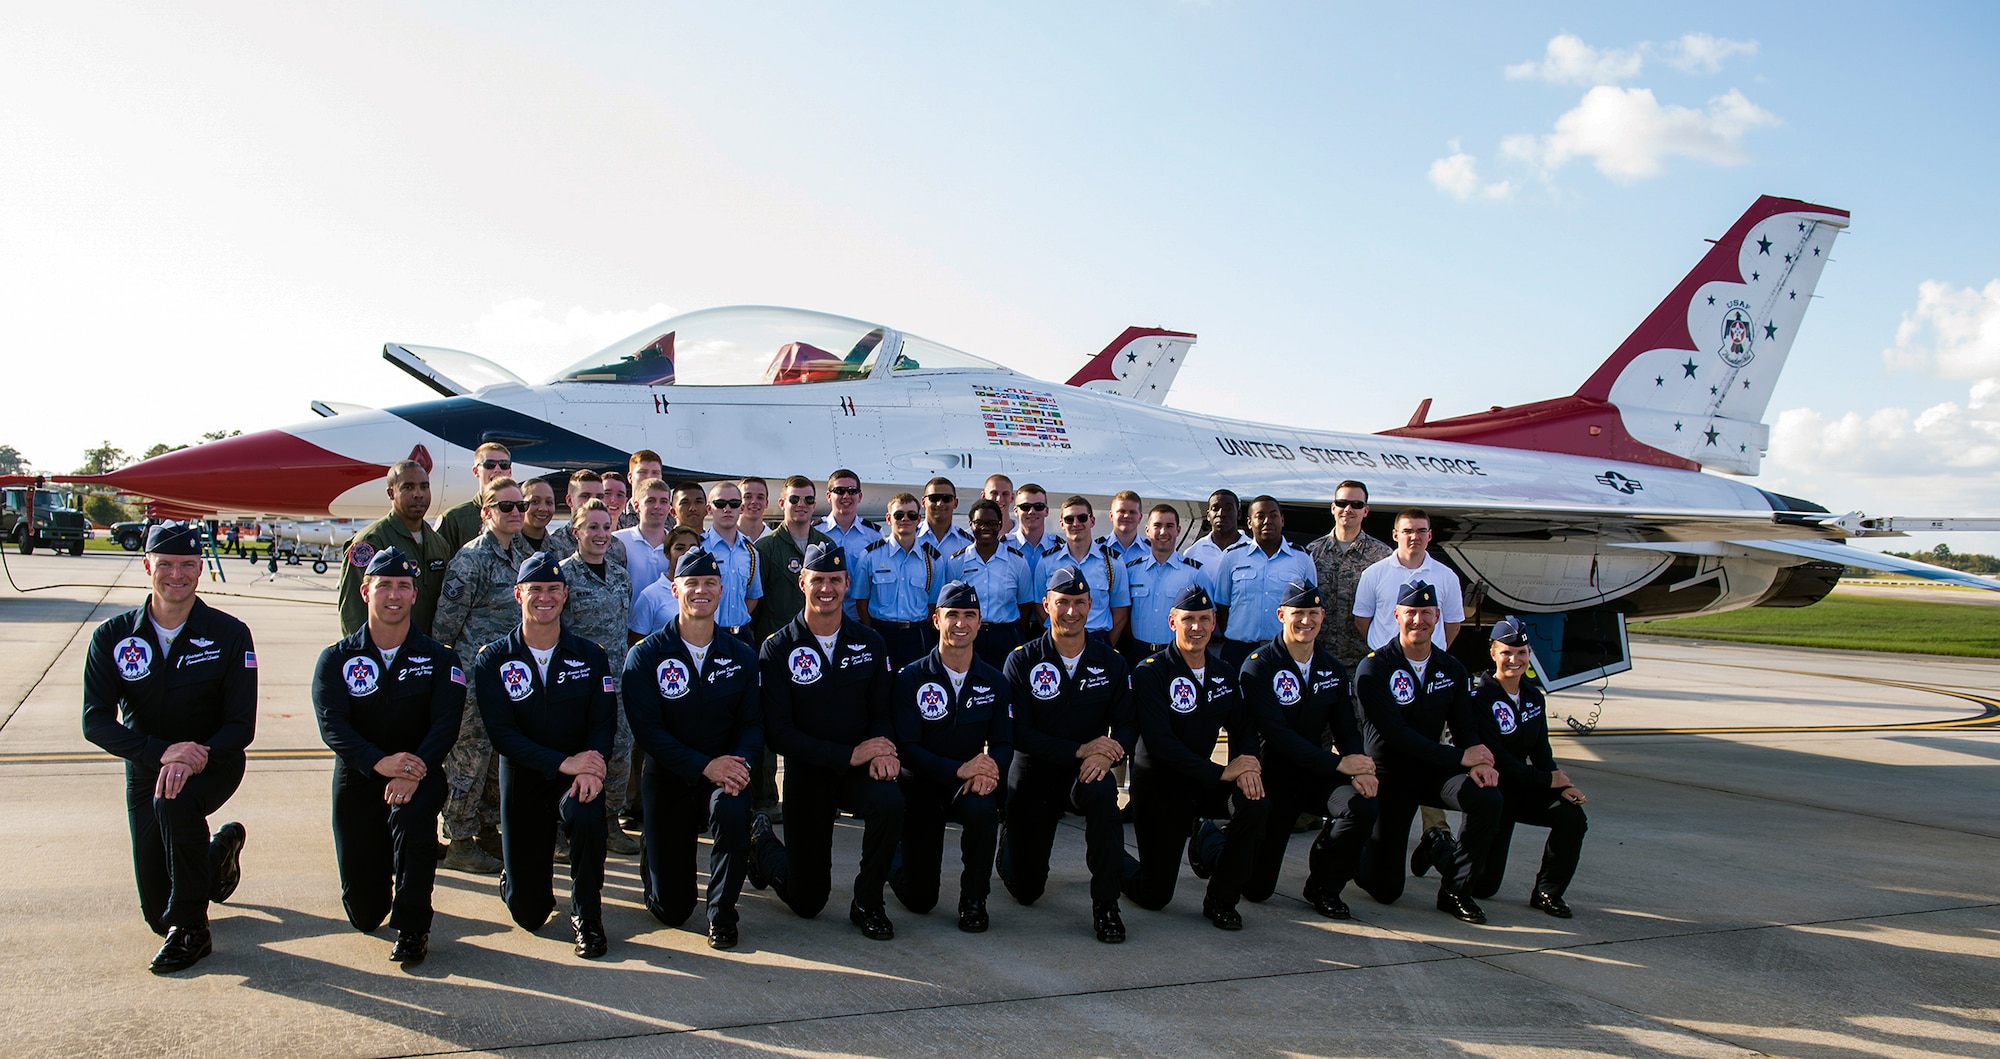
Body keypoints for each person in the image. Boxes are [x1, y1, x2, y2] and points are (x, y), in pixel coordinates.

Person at [82, 523, 255, 973]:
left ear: (201, 570)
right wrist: (162, 752)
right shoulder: (113, 637)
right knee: (159, 914)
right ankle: (218, 854)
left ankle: (193, 930)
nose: (175, 574)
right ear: (147, 566)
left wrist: (194, 755)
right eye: (165, 564)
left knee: (176, 803)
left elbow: (241, 725)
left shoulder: (230, 634)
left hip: (214, 761)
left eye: (187, 565)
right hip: (147, 766)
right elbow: (94, 721)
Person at [312, 547, 464, 965]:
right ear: (365, 591)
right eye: (384, 585)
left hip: (420, 770)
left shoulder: (440, 659)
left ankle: (413, 926)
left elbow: (445, 725)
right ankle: (379, 891)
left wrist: (412, 769)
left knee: (414, 823)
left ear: (415, 594)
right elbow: (333, 725)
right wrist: (380, 763)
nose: (393, 595)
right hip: (359, 776)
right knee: (363, 914)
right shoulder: (337, 659)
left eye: (403, 586)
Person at [750, 543, 906, 941]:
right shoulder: (778, 648)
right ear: (802, 582)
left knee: (890, 799)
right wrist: (849, 754)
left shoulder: (869, 643)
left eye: (835, 580)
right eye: (817, 579)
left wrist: (883, 746)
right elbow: (778, 732)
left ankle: (868, 901)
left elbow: (882, 711)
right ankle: (761, 843)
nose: (826, 588)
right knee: (807, 901)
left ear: (847, 584)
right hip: (810, 773)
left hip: (858, 771)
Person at [475, 552, 617, 958]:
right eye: (535, 589)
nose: (544, 597)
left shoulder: (590, 655)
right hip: (523, 777)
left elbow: (603, 722)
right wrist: (562, 762)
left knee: (589, 819)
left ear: (565, 594)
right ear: (518, 594)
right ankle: (515, 880)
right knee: (529, 913)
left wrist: (592, 766)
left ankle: (587, 918)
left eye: (553, 589)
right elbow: (502, 735)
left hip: (577, 777)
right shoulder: (493, 659)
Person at [622, 548, 762, 949]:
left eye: (709, 584)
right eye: (692, 583)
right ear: (675, 589)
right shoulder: (645, 656)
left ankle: (722, 914)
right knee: (672, 908)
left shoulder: (741, 655)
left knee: (734, 811)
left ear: (721, 590)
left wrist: (739, 766)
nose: (701, 590)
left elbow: (752, 723)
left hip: (725, 774)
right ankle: (656, 849)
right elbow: (649, 733)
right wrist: (706, 765)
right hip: (669, 776)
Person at [1120, 583, 1269, 930]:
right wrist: (1220, 773)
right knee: (1154, 895)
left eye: (1204, 619)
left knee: (1254, 802)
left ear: (1215, 622)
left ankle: (1221, 898)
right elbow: (1160, 743)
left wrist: (1246, 764)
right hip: (1160, 788)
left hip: (1202, 783)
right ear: (1173, 622)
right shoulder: (1150, 672)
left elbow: (1244, 727)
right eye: (1189, 619)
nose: (1197, 628)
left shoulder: (1224, 673)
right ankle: (1111, 857)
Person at [1352, 582, 1503, 924]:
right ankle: (1353, 846)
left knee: (1487, 797)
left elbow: (1465, 728)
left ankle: (1454, 889)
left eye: (1425, 613)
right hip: (1390, 776)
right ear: (1396, 616)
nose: (1418, 620)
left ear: (1437, 616)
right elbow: (1396, 736)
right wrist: (1459, 758)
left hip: (1432, 772)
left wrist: (1477, 757)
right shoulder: (1375, 668)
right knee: (1385, 890)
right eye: (1411, 613)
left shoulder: (1452, 669)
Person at [998, 566, 1133, 943]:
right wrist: (1080, 749)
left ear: (1091, 605)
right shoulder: (1022, 660)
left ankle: (1106, 905)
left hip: (1085, 773)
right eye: (1062, 603)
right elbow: (1018, 733)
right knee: (1026, 892)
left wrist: (1108, 756)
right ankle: (1010, 842)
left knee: (1104, 796)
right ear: (1046, 605)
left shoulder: (1111, 662)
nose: (1070, 612)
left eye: (1078, 603)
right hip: (1034, 777)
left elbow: (1126, 725)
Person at [1236, 581, 1377, 919]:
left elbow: (1345, 727)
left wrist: (1358, 765)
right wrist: (1339, 765)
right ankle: (1211, 837)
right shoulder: (1259, 666)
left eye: (1313, 613)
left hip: (1314, 774)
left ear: (1322, 616)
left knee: (1362, 806)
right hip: (1272, 778)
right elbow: (1277, 734)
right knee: (1257, 890)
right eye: (1298, 613)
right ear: (1282, 615)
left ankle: (1324, 885)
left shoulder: (1330, 667)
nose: (1306, 621)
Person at [888, 582, 1012, 932]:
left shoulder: (994, 681)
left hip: (968, 786)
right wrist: (961, 769)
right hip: (923, 787)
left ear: (979, 622)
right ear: (935, 620)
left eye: (969, 615)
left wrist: (989, 772)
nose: (961, 623)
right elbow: (908, 749)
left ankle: (974, 900)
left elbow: (1003, 743)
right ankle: (891, 859)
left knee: (984, 810)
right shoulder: (911, 678)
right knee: (919, 900)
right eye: (952, 615)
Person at [431, 478, 535, 874]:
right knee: (468, 759)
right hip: (473, 679)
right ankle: (458, 838)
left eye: (519, 506)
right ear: (486, 512)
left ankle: (488, 829)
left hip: (512, 679)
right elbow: (445, 628)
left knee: (496, 760)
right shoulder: (471, 559)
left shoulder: (522, 555)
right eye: (505, 506)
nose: (515, 513)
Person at [1465, 619, 1589, 918]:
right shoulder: (1480, 698)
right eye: (1507, 652)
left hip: (1523, 786)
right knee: (1483, 886)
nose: (1514, 660)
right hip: (1493, 790)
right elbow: (1497, 757)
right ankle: (1439, 849)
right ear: (1493, 653)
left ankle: (1548, 892)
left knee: (1572, 816)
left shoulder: (1534, 696)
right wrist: (1545, 779)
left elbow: (1541, 750)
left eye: (1521, 652)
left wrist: (1562, 784)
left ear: (1530, 653)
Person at [557, 500, 641, 857]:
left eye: (606, 527)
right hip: (577, 685)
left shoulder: (621, 575)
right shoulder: (562, 576)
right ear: (576, 532)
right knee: (571, 754)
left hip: (617, 683)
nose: (601, 535)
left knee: (618, 753)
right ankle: (562, 827)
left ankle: (608, 822)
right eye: (592, 527)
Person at [749, 476, 834, 819]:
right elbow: (756, 603)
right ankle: (766, 798)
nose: (801, 505)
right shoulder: (766, 549)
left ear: (816, 505)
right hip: (776, 646)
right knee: (772, 725)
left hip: (816, 648)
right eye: (794, 499)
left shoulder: (826, 545)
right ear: (781, 504)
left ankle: (821, 791)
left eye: (808, 500)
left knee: (817, 721)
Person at [335, 460, 455, 638]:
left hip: (426, 653)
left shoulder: (438, 543)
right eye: (408, 487)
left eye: (424, 487)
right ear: (391, 493)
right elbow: (353, 609)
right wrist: (364, 653)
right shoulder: (371, 542)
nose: (418, 494)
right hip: (386, 651)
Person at [1211, 496, 1318, 670]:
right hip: (1239, 650)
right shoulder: (1232, 557)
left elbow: (1310, 608)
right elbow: (1222, 605)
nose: (1267, 521)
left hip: (1286, 649)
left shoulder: (1302, 558)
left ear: (1282, 520)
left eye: (1273, 515)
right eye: (1260, 516)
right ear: (1249, 522)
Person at [1304, 481, 1392, 673]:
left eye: (1356, 504)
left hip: (1364, 659)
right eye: (1342, 503)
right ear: (1333, 507)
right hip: (1318, 657)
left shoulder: (1382, 556)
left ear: (1366, 511)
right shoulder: (1311, 553)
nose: (1348, 509)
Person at [854, 493, 946, 670]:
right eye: (899, 515)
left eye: (911, 515)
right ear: (889, 519)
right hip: (881, 633)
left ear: (919, 519)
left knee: (916, 687)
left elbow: (934, 603)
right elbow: (861, 601)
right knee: (880, 687)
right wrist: (872, 631)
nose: (905, 519)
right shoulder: (870, 556)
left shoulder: (933, 559)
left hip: (916, 635)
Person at [1353, 508, 1465, 653]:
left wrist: (1431, 652)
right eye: (1407, 531)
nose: (1415, 537)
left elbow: (1453, 624)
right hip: (1385, 661)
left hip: (1429, 661)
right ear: (1395, 535)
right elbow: (1361, 620)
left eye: (1421, 531)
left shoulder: (1447, 576)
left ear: (1429, 535)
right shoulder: (1373, 574)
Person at [944, 498, 1037, 667]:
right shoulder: (957, 561)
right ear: (971, 525)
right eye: (979, 523)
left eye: (992, 523)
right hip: (969, 636)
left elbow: (1025, 603)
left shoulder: (1016, 561)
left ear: (1000, 525)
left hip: (1006, 637)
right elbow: (949, 604)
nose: (985, 528)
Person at [1122, 504, 1211, 666]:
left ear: (1178, 530)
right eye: (1157, 526)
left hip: (1178, 655)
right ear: (1147, 530)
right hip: (1137, 653)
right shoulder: (1131, 570)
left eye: (1169, 526)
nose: (1163, 532)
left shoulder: (1195, 572)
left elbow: (1209, 617)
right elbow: (1123, 613)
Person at [1038, 496, 1130, 648]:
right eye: (1069, 519)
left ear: (1092, 521)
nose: (1076, 523)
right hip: (1058, 639)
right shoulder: (1047, 561)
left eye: (1082, 518)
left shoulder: (1112, 562)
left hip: (1098, 639)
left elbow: (1120, 614)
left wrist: (1105, 647)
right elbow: (1040, 609)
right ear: (1061, 524)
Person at [700, 480, 764, 641]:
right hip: (708, 634)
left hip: (741, 634)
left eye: (734, 504)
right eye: (720, 503)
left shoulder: (750, 551)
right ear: (709, 509)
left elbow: (752, 596)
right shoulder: (700, 549)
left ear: (741, 508)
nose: (727, 509)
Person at [817, 468, 881, 620]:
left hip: (859, 616)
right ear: (828, 496)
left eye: (852, 491)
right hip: (823, 615)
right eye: (839, 491)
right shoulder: (816, 532)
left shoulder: (873, 535)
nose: (846, 496)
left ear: (859, 496)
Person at [437, 442, 513, 555]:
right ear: (476, 471)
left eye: (504, 464)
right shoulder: (453, 519)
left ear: (510, 471)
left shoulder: (520, 515)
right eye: (490, 464)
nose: (497, 469)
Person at [629, 526, 704, 639]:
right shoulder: (650, 595)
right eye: (679, 548)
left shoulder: (708, 593)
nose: (687, 553)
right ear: (667, 553)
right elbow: (637, 644)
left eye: (693, 548)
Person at [545, 471, 629, 566]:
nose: (593, 501)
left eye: (599, 497)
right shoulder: (552, 544)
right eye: (585, 496)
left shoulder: (616, 546)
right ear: (569, 500)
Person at [613, 479, 676, 603]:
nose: (657, 506)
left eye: (663, 501)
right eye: (650, 501)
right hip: (628, 621)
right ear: (636, 506)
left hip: (667, 621)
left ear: (669, 507)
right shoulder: (618, 541)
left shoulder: (677, 544)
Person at [1005, 483, 1062, 588]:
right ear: (1016, 511)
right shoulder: (1002, 547)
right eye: (1025, 507)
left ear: (1046, 511)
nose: (1031, 512)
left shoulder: (1060, 550)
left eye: (1038, 507)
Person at [1182, 489, 1246, 570]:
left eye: (1228, 508)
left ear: (1239, 514)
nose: (1221, 514)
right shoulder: (1192, 553)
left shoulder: (1253, 551)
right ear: (1208, 515)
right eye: (1215, 508)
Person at [915, 476, 974, 556]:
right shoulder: (910, 539)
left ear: (955, 503)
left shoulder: (968, 543)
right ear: (923, 502)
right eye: (934, 498)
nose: (940, 504)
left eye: (946, 498)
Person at [1098, 490, 1147, 562]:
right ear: (1111, 516)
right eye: (1122, 511)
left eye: (1132, 512)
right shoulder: (1096, 548)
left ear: (1140, 518)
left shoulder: (1151, 551)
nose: (1127, 516)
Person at [620, 451, 663, 530]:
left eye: (655, 472)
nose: (649, 477)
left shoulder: (672, 517)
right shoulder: (617, 517)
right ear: (630, 477)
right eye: (643, 472)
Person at [519, 478, 557, 554]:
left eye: (549, 502)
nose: (543, 509)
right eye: (535, 501)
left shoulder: (561, 549)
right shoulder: (506, 546)